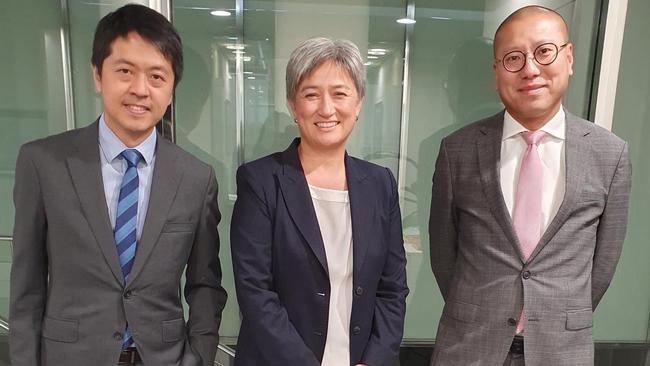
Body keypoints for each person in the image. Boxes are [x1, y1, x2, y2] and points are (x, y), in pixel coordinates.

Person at [9, 4, 227, 365]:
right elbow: (26, 288)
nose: (140, 89)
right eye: (125, 71)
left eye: (157, 77)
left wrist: (198, 356)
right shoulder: (43, 163)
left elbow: (205, 284)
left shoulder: (195, 178)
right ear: (97, 74)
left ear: (172, 88)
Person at [428, 6, 631, 366]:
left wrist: (556, 314)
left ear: (568, 58)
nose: (530, 69)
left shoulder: (609, 154)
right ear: (496, 73)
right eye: (513, 58)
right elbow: (445, 255)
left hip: (561, 350)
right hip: (469, 347)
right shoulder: (456, 150)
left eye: (544, 52)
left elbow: (602, 265)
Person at [230, 37, 408, 366]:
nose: (326, 109)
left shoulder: (380, 183)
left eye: (339, 94)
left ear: (359, 102)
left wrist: (375, 359)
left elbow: (392, 288)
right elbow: (255, 291)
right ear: (293, 104)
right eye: (311, 94)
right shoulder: (261, 180)